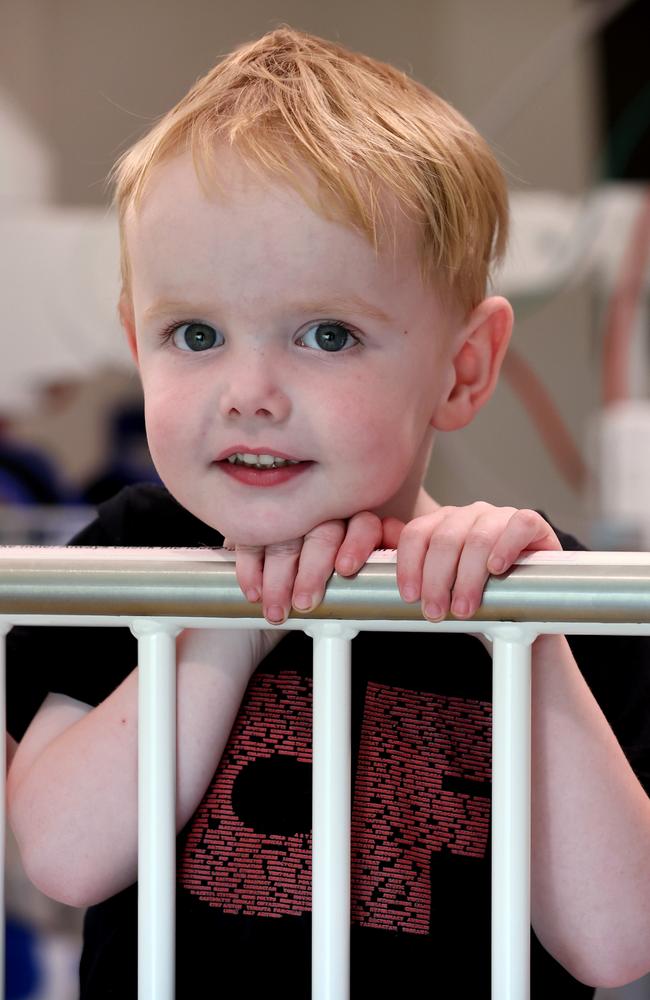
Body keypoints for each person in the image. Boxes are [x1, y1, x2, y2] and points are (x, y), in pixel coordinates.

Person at [5, 27, 650, 1000]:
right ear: (136, 341)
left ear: (462, 367)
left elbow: (616, 941)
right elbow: (63, 853)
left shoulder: (541, 587)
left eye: (325, 333)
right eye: (194, 333)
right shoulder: (137, 553)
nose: (248, 390)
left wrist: (518, 634)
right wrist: (233, 627)